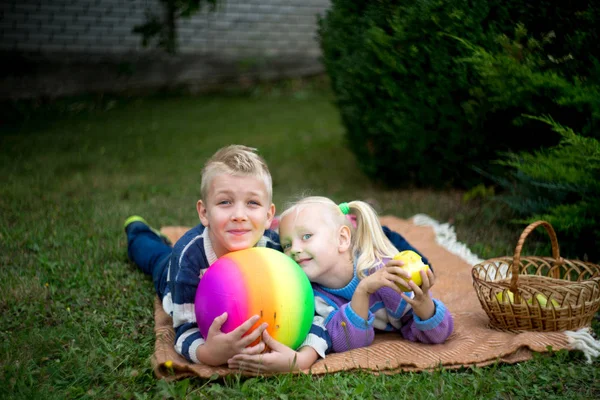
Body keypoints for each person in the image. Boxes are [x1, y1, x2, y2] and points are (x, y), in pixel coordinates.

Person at [124, 145, 325, 370]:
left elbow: (317, 311)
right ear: (204, 212)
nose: (239, 216)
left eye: (252, 203)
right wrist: (209, 353)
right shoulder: (188, 257)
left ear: (269, 215)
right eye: (225, 202)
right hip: (171, 277)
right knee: (154, 256)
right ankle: (138, 232)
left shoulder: (275, 249)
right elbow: (185, 331)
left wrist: (301, 360)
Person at [228, 196, 453, 371]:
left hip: (375, 249)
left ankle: (354, 224)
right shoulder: (311, 296)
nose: (294, 250)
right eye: (287, 245)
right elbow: (349, 342)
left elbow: (438, 334)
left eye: (306, 236)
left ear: (342, 239)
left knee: (414, 258)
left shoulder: (384, 273)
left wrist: (425, 306)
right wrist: (363, 292)